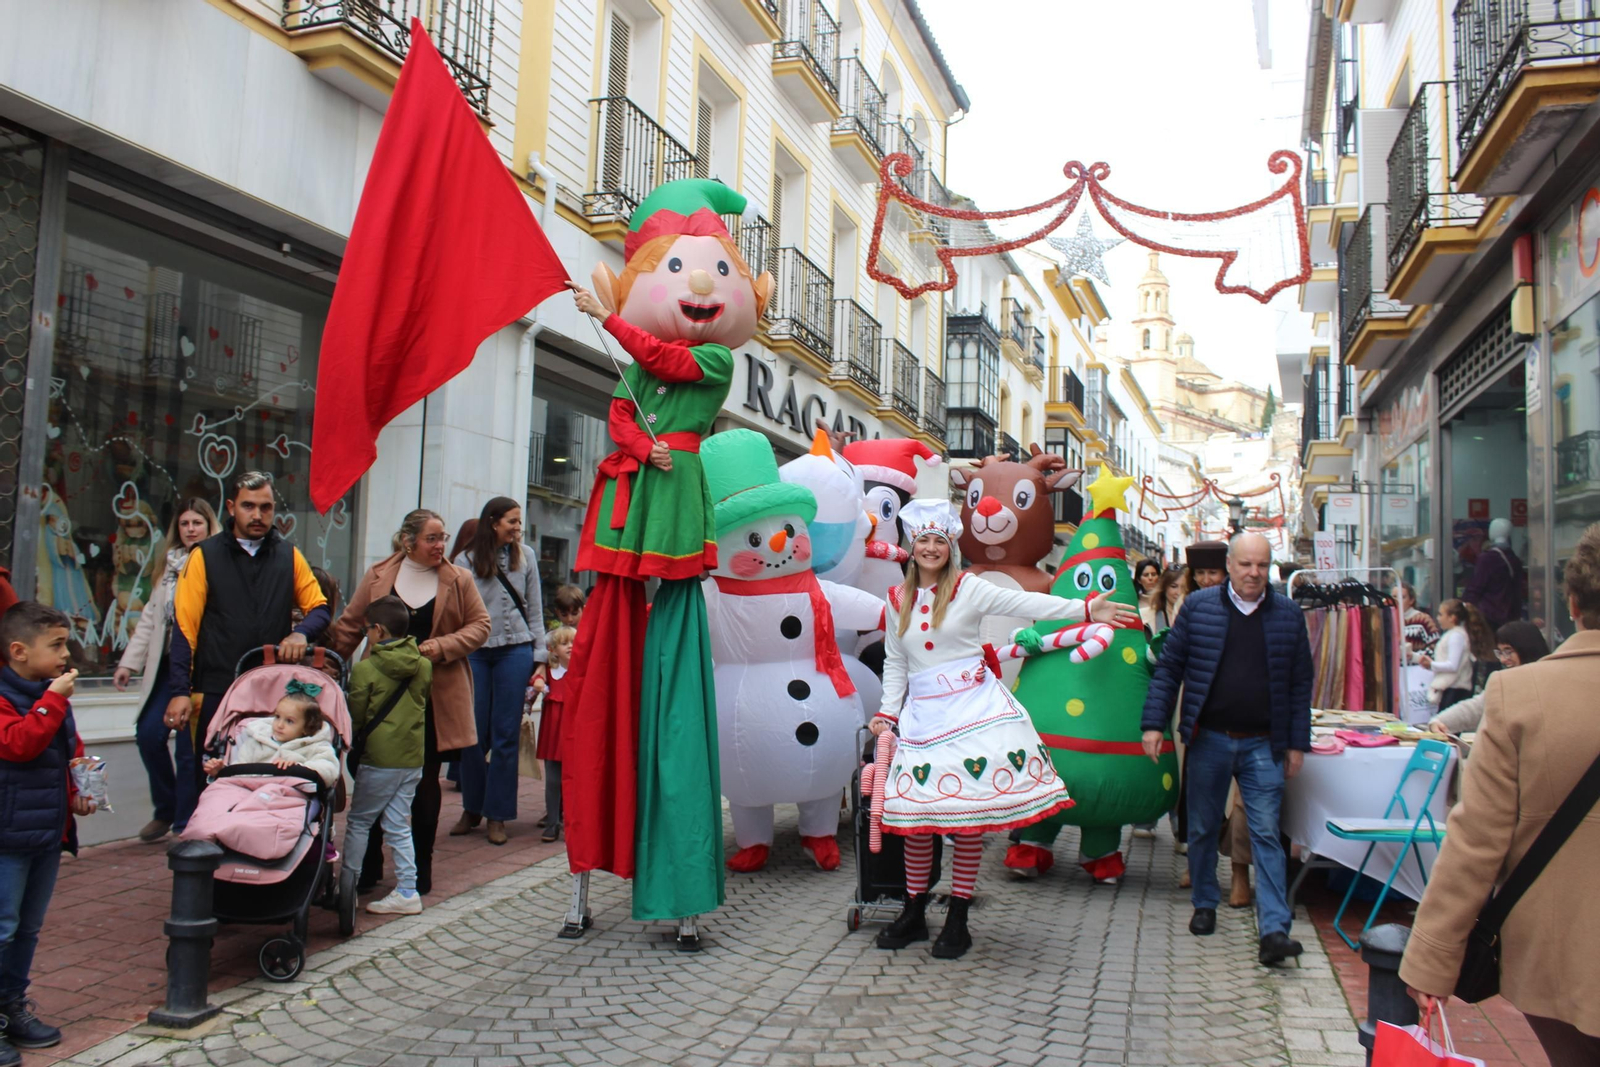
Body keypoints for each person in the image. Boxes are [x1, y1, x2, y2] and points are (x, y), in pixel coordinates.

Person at [870, 500, 1140, 960]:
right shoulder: (897, 601)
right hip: (921, 718)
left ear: (950, 546)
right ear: (911, 548)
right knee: (917, 822)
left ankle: (958, 916)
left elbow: (1026, 601)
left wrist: (1085, 609)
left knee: (969, 817)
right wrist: (887, 713)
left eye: (940, 540)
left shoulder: (970, 589)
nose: (931, 548)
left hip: (972, 710)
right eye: (923, 541)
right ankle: (914, 910)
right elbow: (897, 662)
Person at [1400, 522, 1600, 1066]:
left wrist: (1430, 960)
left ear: (1574, 603)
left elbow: (1475, 840)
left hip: (1560, 961)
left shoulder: (1520, 695)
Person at [1141, 532, 1314, 967]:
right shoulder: (1199, 608)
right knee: (1200, 827)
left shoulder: (1289, 616)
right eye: (1245, 564)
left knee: (1266, 834)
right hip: (1210, 738)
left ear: (1269, 567)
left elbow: (1299, 686)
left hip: (1264, 744)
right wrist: (1152, 724)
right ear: (1230, 566)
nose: (1254, 572)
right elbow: (1170, 669)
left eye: (1261, 564)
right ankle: (1204, 901)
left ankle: (1274, 929)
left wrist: (1297, 743)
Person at [330, 509, 489, 896]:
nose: (440, 545)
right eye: (432, 538)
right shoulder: (378, 576)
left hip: (432, 697)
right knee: (368, 775)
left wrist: (441, 646)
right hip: (380, 697)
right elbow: (351, 626)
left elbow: (480, 626)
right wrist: (323, 663)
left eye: (443, 537)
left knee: (423, 784)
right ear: (408, 541)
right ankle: (369, 866)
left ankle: (420, 865)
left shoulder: (458, 578)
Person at [164, 472, 329, 819]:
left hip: (272, 690)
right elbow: (184, 628)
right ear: (231, 507)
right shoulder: (203, 555)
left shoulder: (289, 555)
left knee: (269, 776)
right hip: (216, 686)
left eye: (266, 507)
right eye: (249, 506)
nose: (258, 515)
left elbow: (320, 607)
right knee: (211, 773)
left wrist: (301, 634)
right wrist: (179, 689)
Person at [0, 602, 94, 1061]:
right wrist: (53, 700)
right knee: (2, 927)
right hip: (8, 837)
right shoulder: (9, 696)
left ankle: (12, 1007)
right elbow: (19, 744)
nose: (65, 653)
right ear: (19, 651)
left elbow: (66, 746)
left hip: (48, 830)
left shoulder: (52, 694)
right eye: (55, 645)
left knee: (28, 929)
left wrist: (79, 787)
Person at [113, 499, 221, 840]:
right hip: (166, 666)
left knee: (189, 748)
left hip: (200, 665)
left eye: (197, 523)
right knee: (148, 734)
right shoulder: (170, 566)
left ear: (209, 526)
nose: (190, 529)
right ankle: (166, 806)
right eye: (185, 523)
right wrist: (129, 663)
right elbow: (149, 619)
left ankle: (183, 822)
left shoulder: (218, 561)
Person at [453, 498, 548, 846]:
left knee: (507, 735)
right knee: (473, 734)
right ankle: (472, 807)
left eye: (519, 521)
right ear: (493, 522)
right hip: (476, 652)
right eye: (512, 521)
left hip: (515, 651)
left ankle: (498, 815)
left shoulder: (527, 557)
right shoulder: (464, 561)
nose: (517, 527)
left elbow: (536, 609)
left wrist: (540, 657)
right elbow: (458, 611)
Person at [340, 595, 433, 917]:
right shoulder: (423, 665)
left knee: (359, 822)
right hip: (411, 758)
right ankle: (408, 889)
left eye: (367, 629)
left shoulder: (366, 669)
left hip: (378, 759)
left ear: (378, 630)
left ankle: (347, 889)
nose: (366, 635)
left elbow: (357, 714)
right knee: (397, 824)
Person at [197, 685, 339, 785]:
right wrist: (221, 771)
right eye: (277, 717)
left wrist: (299, 767)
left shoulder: (315, 746)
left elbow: (329, 770)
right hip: (250, 792)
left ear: (307, 727)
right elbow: (238, 769)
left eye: (289, 721)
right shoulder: (257, 741)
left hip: (289, 799)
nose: (279, 725)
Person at [1427, 621, 1550, 735]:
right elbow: (1475, 708)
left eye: (1508, 651)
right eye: (1500, 652)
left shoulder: (1549, 681)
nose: (1503, 659)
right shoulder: (1504, 683)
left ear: (1527, 649)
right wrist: (1439, 721)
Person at [531, 625, 575, 844]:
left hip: (574, 733)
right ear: (553, 649)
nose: (570, 647)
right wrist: (537, 683)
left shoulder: (581, 671)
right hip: (552, 733)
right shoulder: (549, 672)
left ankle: (571, 822)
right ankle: (552, 823)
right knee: (553, 780)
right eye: (565, 643)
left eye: (573, 643)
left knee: (573, 779)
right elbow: (533, 684)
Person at [1419, 598, 1490, 711]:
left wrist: (1431, 665)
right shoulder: (1453, 635)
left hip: (1455, 689)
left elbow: (1453, 665)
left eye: (1441, 614)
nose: (1438, 618)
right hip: (1452, 688)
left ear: (1452, 617)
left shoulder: (1456, 636)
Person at [1464, 517, 1524, 630]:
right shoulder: (1514, 560)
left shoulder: (1487, 559)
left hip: (1489, 618)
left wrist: (1465, 610)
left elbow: (1475, 588)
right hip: (1510, 618)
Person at [1400, 582, 1439, 661]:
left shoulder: (1423, 620)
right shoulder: (1388, 621)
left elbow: (1436, 648)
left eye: (1402, 597)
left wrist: (1414, 656)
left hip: (1419, 669)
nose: (1397, 600)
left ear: (1411, 600)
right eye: (1394, 597)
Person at [1146, 566, 1188, 634]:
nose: (1179, 592)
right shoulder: (1145, 617)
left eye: (1184, 587)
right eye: (1174, 586)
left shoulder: (1195, 616)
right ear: (1164, 587)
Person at [1134, 559, 1161, 629]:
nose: (1150, 578)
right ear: (1139, 580)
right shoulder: (1134, 603)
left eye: (1154, 574)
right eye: (1146, 575)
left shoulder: (1165, 601)